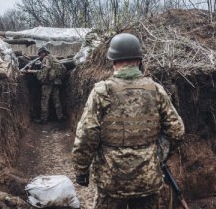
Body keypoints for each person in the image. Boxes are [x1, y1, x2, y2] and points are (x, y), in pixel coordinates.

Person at [72, 33, 185, 209]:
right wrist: (159, 155)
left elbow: (87, 134)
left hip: (111, 180)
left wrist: (81, 169)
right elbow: (176, 131)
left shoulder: (102, 92)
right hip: (147, 180)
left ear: (113, 61)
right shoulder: (156, 90)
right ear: (139, 60)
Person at [36, 46, 66, 124]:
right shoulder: (54, 58)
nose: (40, 55)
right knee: (56, 100)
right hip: (56, 82)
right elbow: (63, 68)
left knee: (45, 100)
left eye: (41, 53)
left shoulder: (46, 59)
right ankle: (60, 117)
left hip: (47, 83)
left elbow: (45, 71)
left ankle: (43, 119)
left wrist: (40, 77)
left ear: (44, 53)